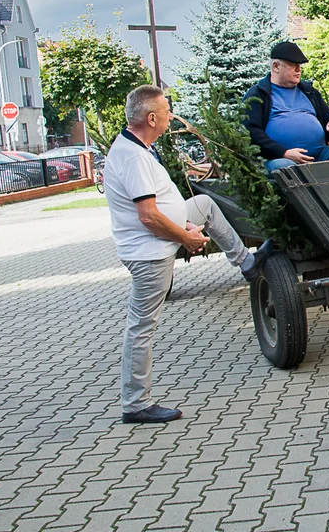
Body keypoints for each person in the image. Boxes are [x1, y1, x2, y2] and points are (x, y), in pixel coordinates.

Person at [104, 85, 274, 424]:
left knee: (205, 205)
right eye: (166, 111)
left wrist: (185, 225)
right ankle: (135, 404)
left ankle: (247, 263)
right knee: (141, 327)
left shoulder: (135, 146)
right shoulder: (134, 157)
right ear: (151, 118)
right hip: (150, 252)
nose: (170, 115)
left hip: (159, 235)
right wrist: (186, 237)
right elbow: (149, 216)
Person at [242, 41, 329, 173]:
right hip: (278, 158)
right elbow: (251, 131)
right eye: (293, 65)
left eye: (300, 65)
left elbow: (328, 119)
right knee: (286, 169)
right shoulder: (258, 94)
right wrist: (283, 152)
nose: (299, 69)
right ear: (276, 66)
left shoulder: (310, 92)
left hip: (320, 155)